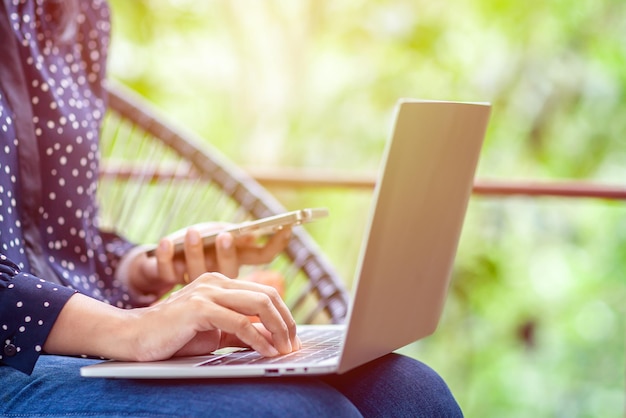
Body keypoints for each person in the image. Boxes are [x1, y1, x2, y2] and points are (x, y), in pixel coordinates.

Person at [0, 0, 464, 416]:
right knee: (303, 412)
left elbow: (58, 240)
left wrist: (146, 269)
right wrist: (127, 330)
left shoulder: (77, 11)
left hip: (80, 345)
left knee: (411, 392)